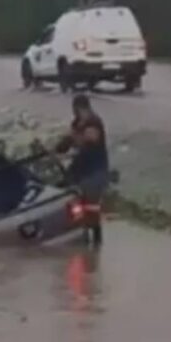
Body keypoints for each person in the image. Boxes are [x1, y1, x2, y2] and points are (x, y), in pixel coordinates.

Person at [55, 94, 109, 244]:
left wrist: (75, 141)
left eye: (78, 110)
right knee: (79, 207)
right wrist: (59, 149)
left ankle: (96, 241)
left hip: (95, 170)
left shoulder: (94, 122)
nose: (76, 113)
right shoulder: (77, 123)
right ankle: (83, 239)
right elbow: (68, 141)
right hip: (80, 170)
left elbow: (89, 141)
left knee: (92, 208)